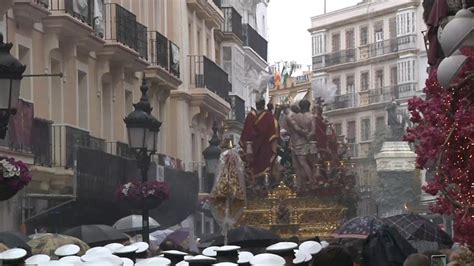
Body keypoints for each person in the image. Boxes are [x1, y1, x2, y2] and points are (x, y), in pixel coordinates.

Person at [239, 98, 279, 189]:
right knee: (265, 165)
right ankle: (264, 186)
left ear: (256, 104)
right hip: (265, 147)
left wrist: (247, 145)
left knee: (253, 166)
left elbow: (246, 132)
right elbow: (273, 132)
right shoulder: (268, 116)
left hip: (252, 147)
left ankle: (255, 185)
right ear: (263, 104)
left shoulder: (250, 115)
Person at [285, 99, 316, 192]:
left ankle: (300, 186)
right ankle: (311, 182)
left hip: (293, 142)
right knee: (303, 163)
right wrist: (307, 136)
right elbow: (313, 132)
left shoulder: (294, 117)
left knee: (297, 166)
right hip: (304, 142)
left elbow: (289, 129)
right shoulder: (311, 117)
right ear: (309, 106)